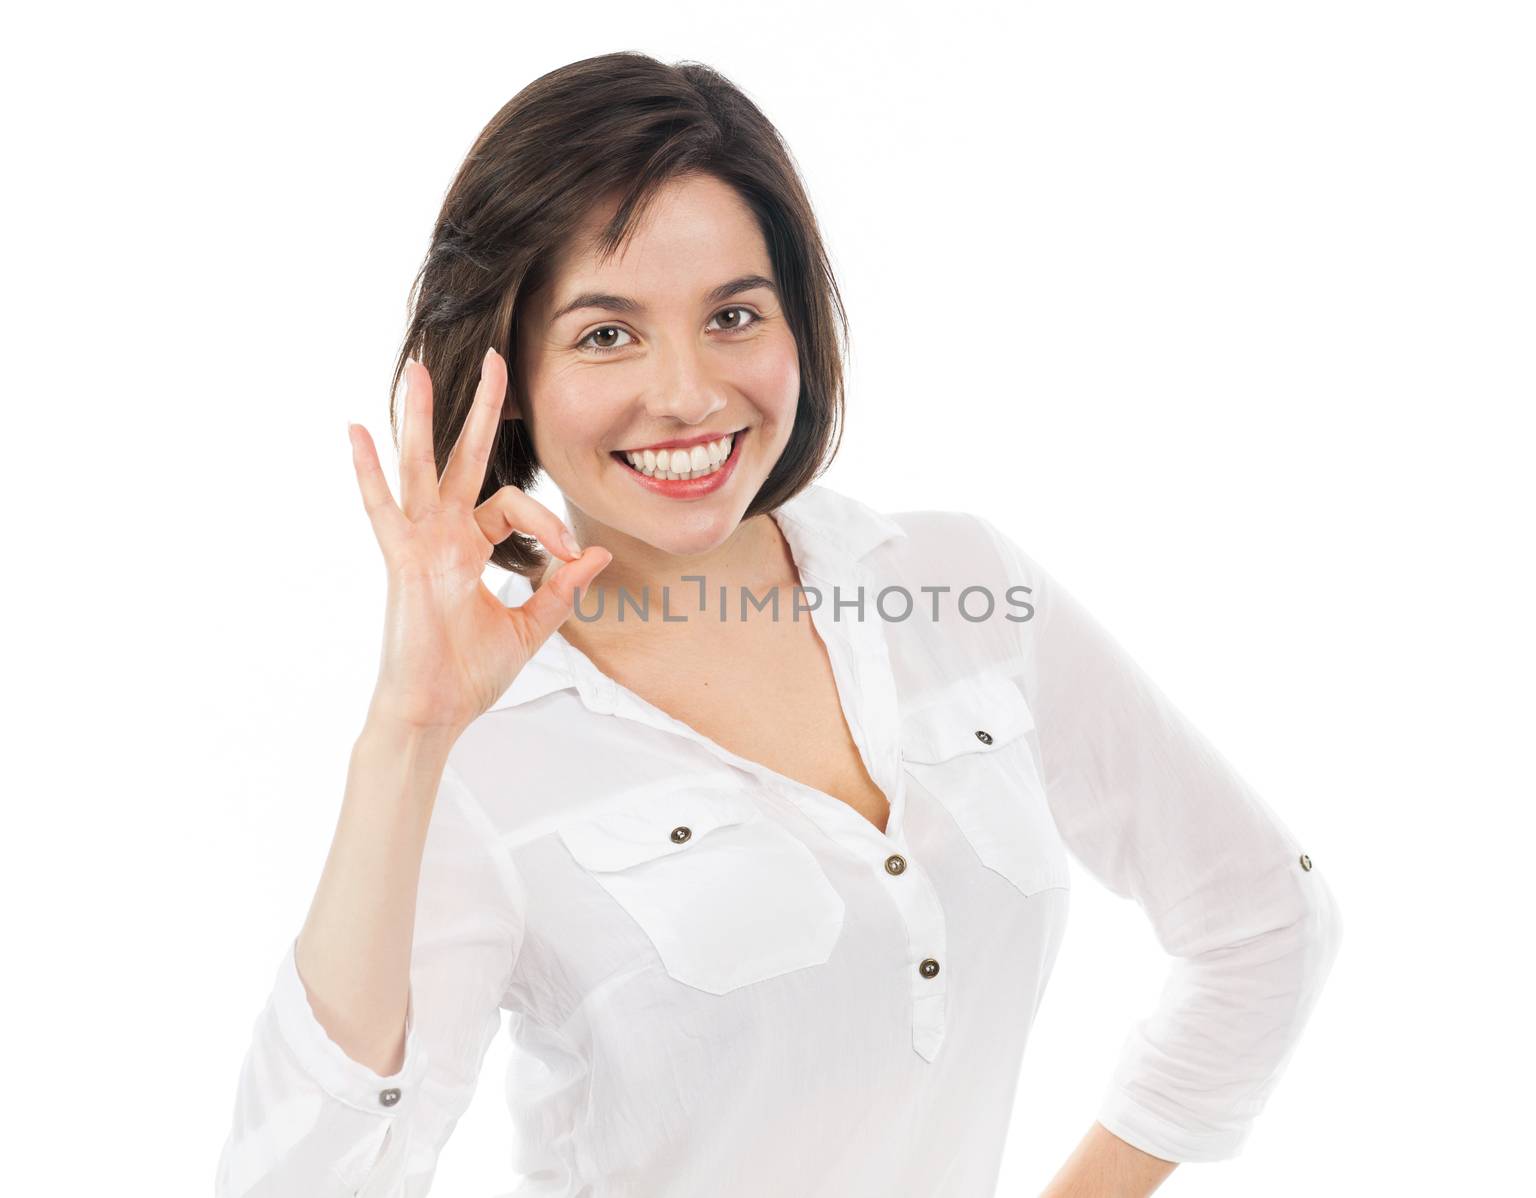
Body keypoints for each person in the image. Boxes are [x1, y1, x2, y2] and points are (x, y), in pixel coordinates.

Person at [215, 52, 1343, 1198]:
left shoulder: (960, 587)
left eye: (733, 316)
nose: (691, 393)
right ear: (505, 378)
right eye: (607, 334)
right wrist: (408, 730)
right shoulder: (478, 753)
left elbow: (1264, 918)